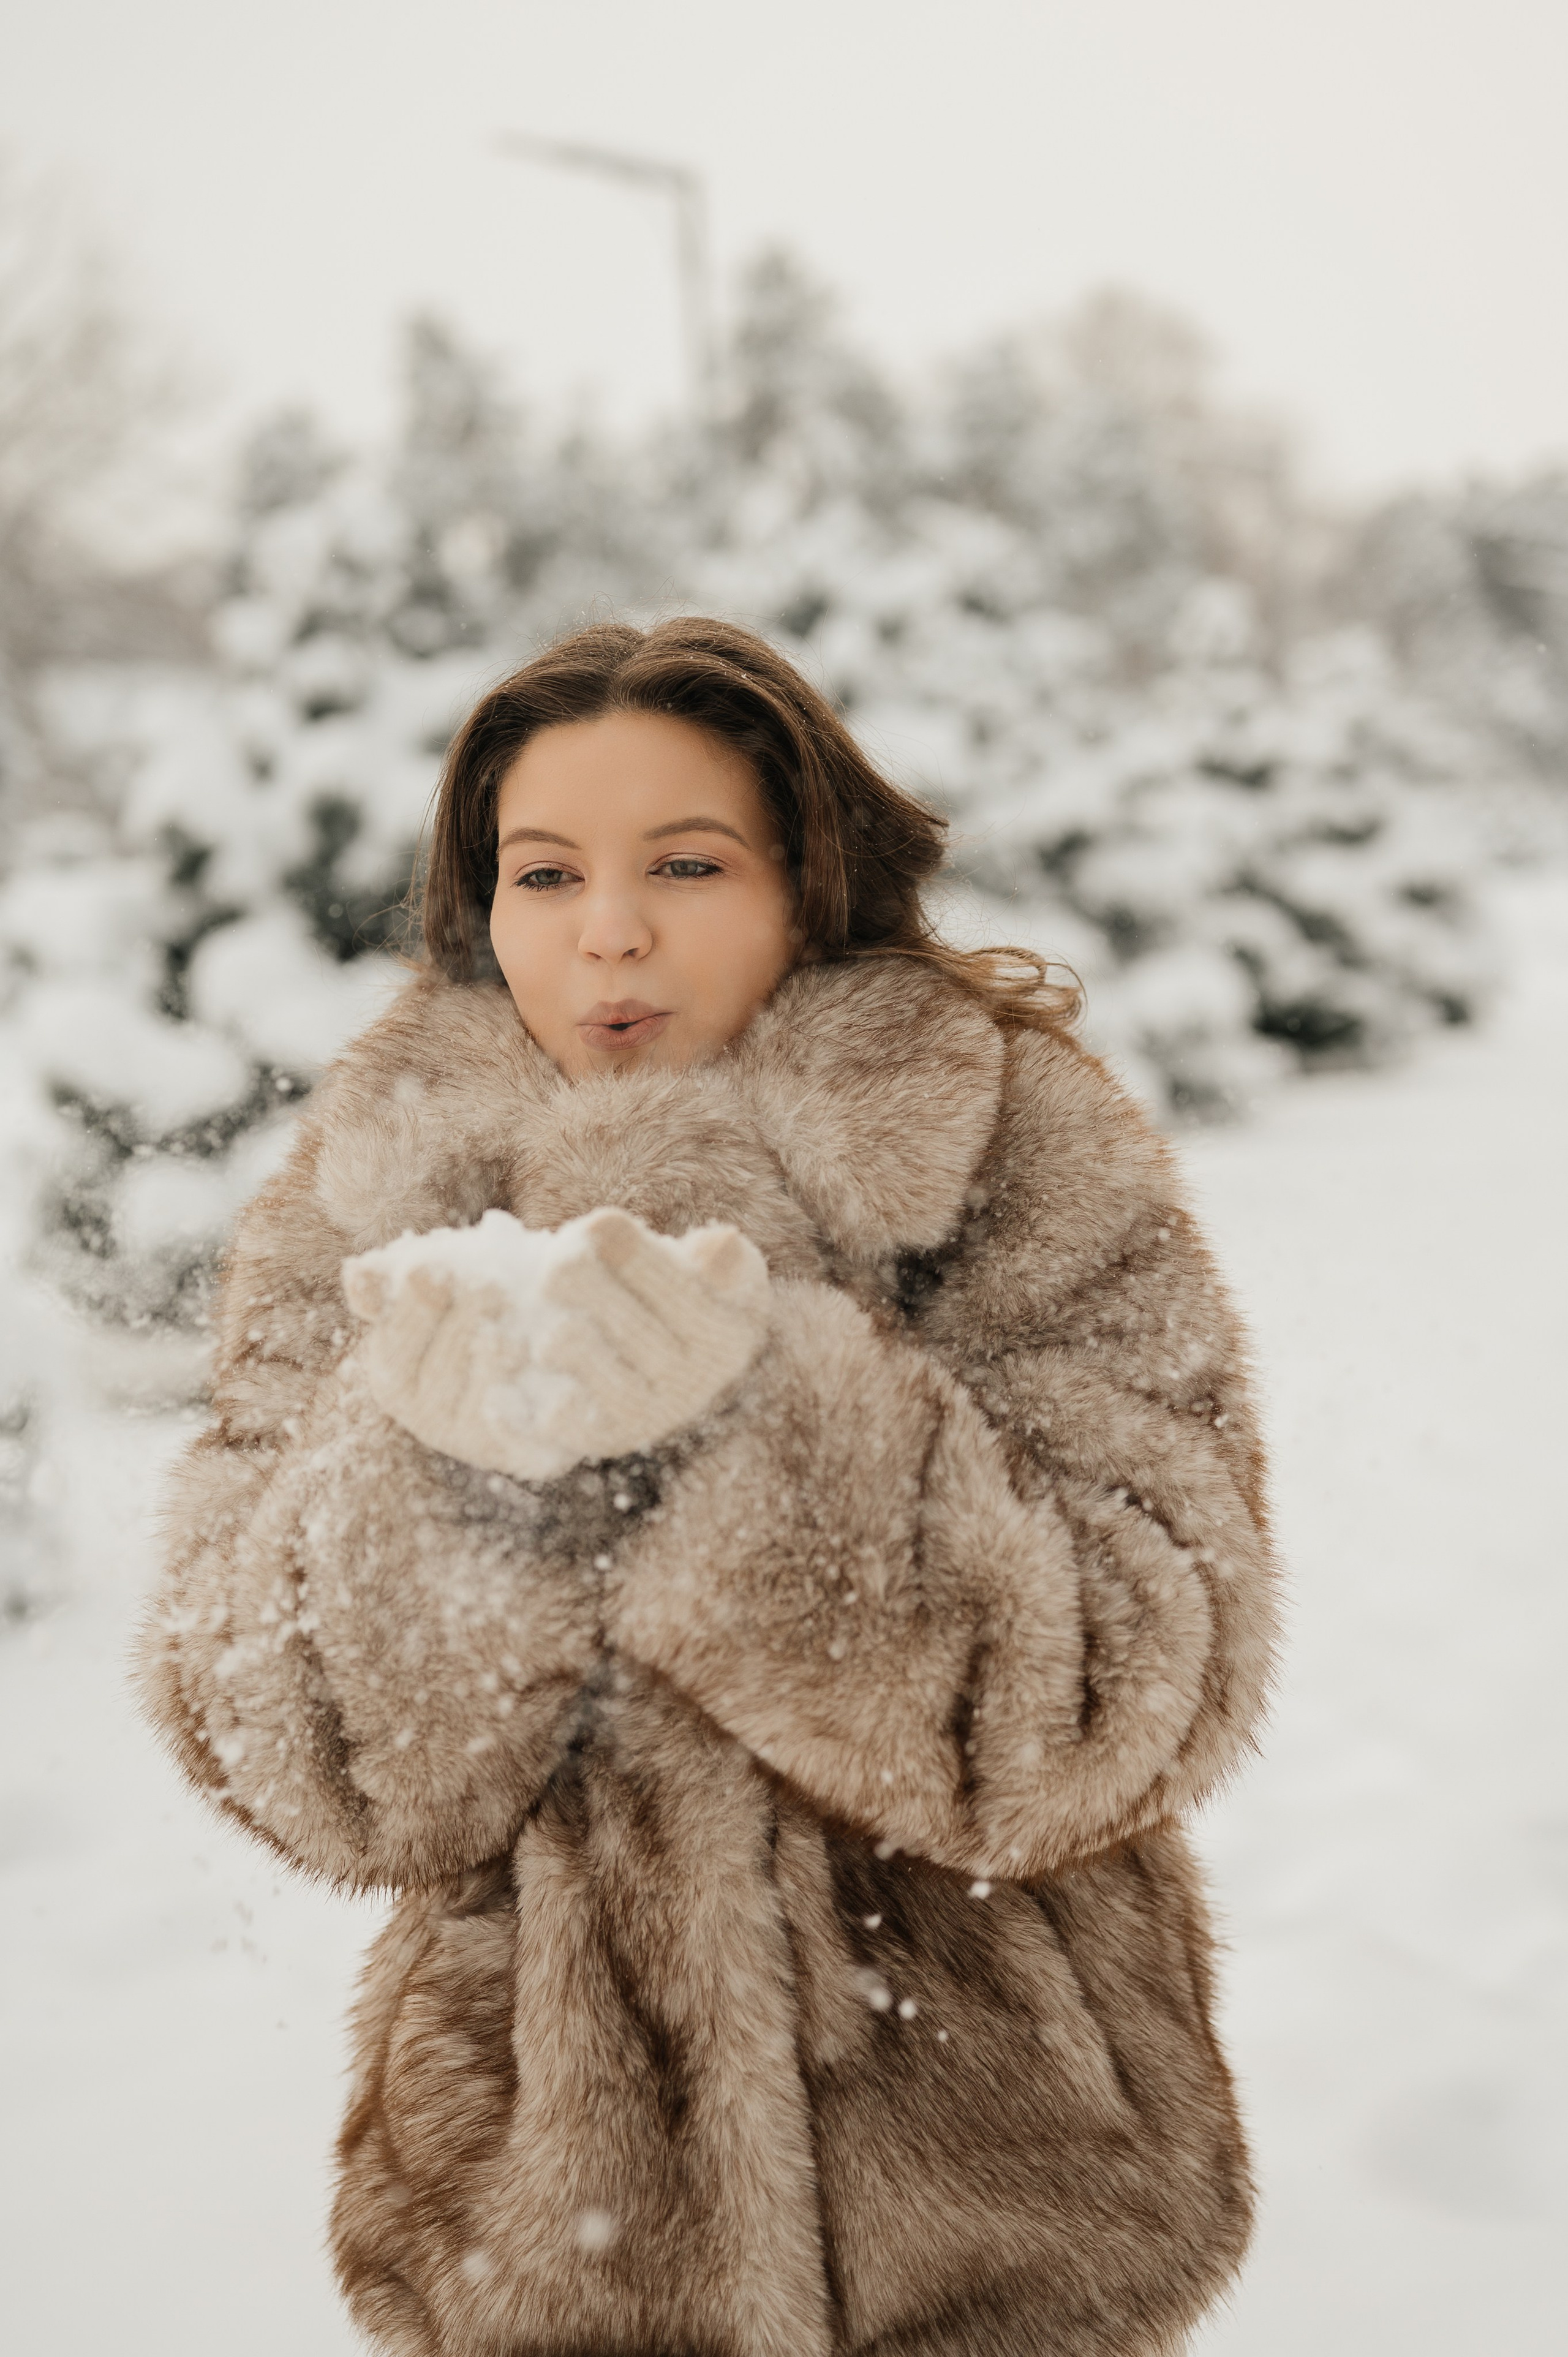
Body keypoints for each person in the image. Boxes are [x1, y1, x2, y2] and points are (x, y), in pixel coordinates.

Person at [138, 616, 1279, 2357]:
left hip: (1012, 2221)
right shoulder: (367, 1208)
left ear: (812, 881)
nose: (609, 930)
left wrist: (766, 1424)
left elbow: (1144, 1678)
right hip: (537, 2245)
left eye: (687, 861)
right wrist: (445, 1486)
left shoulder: (1015, 1153)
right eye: (544, 872)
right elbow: (289, 1751)